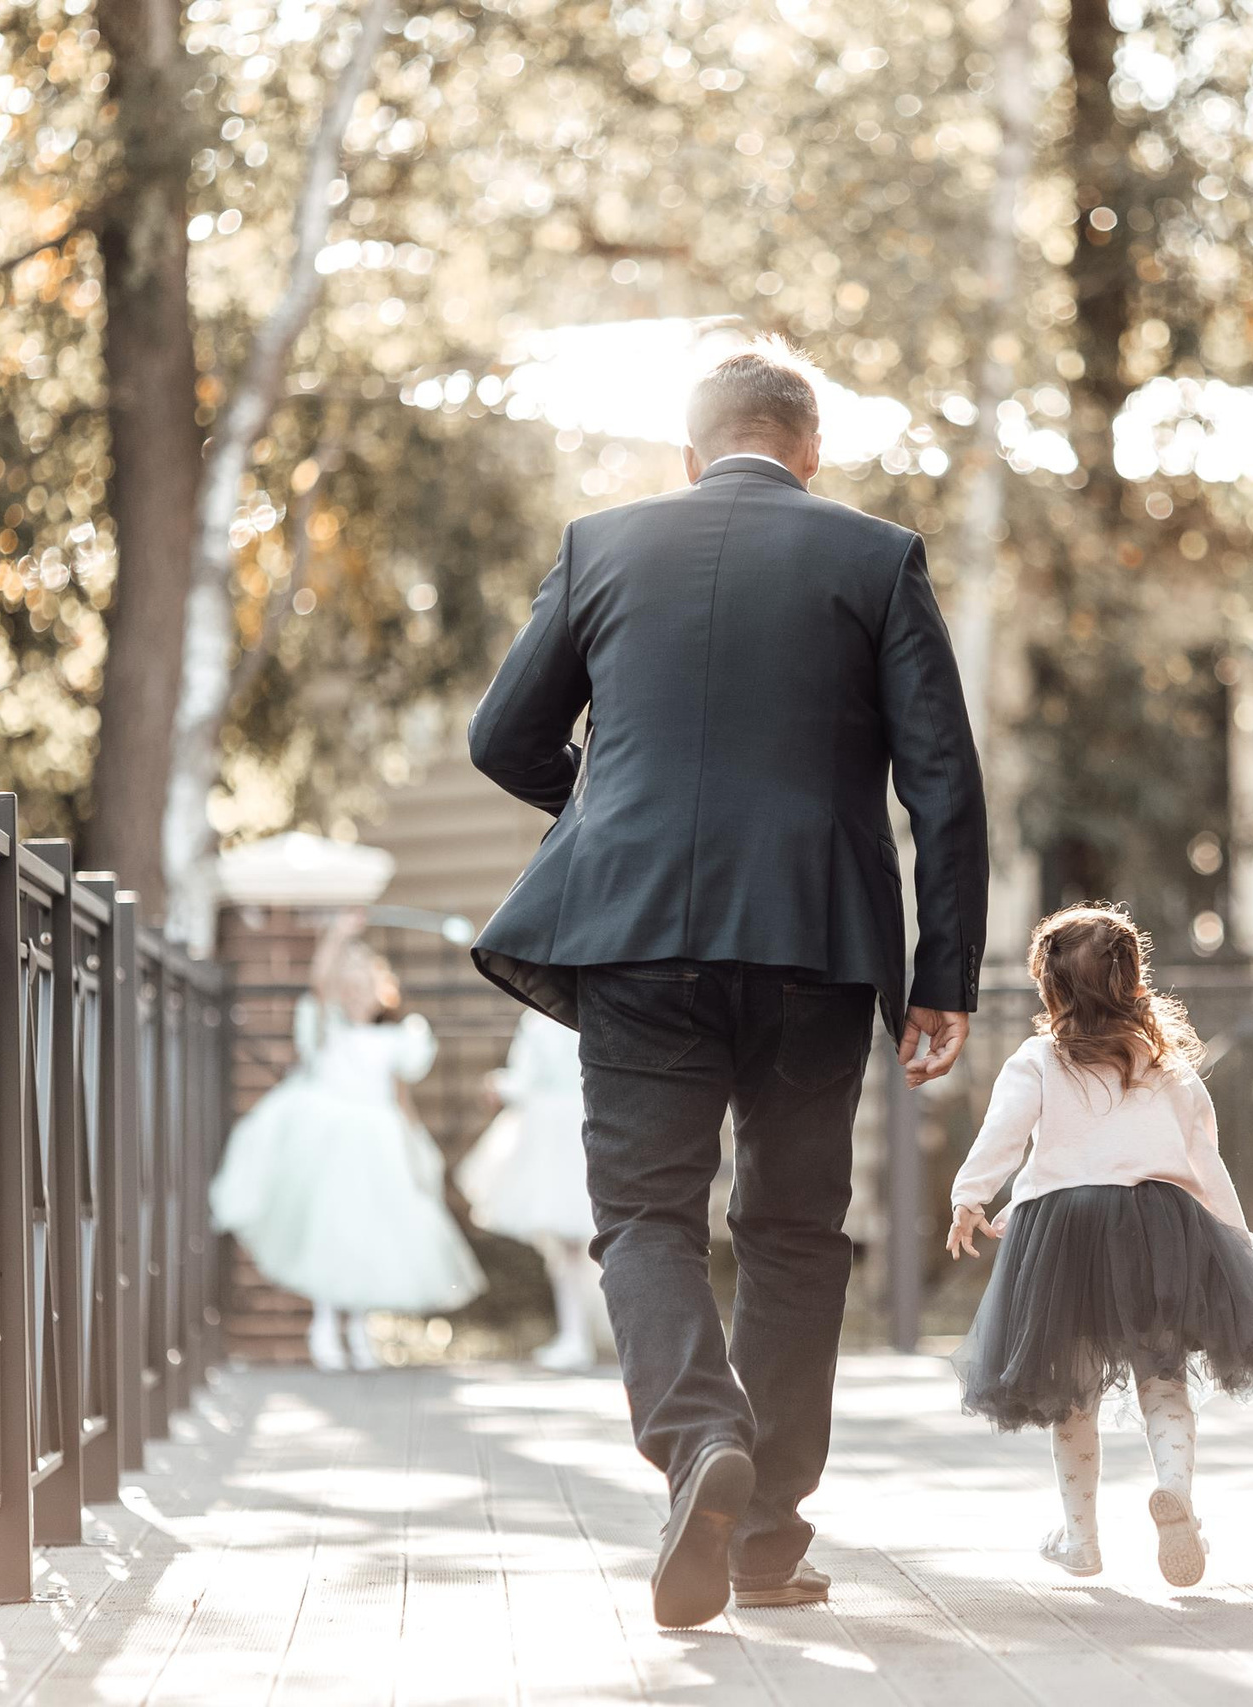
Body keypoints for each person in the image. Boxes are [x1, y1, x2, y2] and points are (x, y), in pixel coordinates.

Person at [467, 338, 987, 1629]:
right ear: (811, 450)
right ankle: (763, 1538)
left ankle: (699, 1434)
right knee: (796, 1229)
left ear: (692, 453)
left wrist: (613, 806)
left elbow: (502, 736)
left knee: (645, 1214)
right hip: (818, 939)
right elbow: (944, 782)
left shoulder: (604, 541)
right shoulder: (874, 554)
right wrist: (944, 975)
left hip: (634, 932)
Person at [945, 905, 1253, 1589]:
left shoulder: (1038, 1059)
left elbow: (1007, 1134)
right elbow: (1203, 1159)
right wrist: (1232, 1236)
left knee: (1069, 1391)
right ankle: (1177, 1494)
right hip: (1157, 1225)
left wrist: (971, 1195)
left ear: (1051, 991)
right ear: (1136, 985)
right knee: (1163, 1376)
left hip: (1065, 1235)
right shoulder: (1163, 1066)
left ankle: (1081, 1538)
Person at [209, 909, 485, 1370]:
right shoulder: (327, 1027)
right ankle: (323, 1323)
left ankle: (358, 1329)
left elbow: (401, 1101)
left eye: (366, 984)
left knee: (367, 1232)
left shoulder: (397, 1039)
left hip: (376, 1141)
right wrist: (336, 937)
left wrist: (416, 1144)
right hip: (332, 1142)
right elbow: (320, 983)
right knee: (330, 1226)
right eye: (349, 985)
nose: (358, 993)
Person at [456, 1008, 608, 1371]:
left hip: (569, 1139)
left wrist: (499, 1084)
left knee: (575, 1248)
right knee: (574, 1247)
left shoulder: (544, 1020)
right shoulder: (578, 1016)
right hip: (571, 1134)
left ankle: (580, 1334)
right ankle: (578, 1335)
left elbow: (524, 1082)